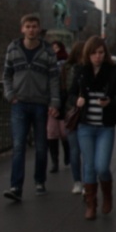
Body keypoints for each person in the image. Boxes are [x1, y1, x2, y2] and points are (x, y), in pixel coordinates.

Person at [2, 14, 60, 201]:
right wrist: (10, 94)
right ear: (22, 29)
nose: (31, 30)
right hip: (19, 103)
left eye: (34, 26)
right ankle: (16, 187)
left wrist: (54, 102)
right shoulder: (13, 48)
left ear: (39, 29)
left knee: (41, 145)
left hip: (40, 103)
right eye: (28, 26)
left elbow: (54, 78)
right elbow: (6, 74)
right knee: (19, 145)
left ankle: (39, 181)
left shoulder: (47, 51)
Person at [70, 36, 116, 220]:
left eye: (101, 53)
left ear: (105, 54)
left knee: (102, 166)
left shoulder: (114, 72)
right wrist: (77, 100)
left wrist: (110, 102)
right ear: (87, 54)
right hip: (85, 126)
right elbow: (70, 94)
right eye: (94, 53)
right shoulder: (80, 71)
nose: (98, 56)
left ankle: (107, 195)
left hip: (105, 127)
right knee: (89, 166)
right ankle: (91, 204)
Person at [62, 41, 85, 194]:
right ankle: (80, 181)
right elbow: (68, 91)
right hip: (75, 112)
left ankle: (79, 182)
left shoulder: (67, 68)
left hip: (72, 113)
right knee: (78, 150)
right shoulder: (73, 70)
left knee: (76, 150)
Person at [47, 41, 70, 173]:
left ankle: (67, 154)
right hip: (50, 101)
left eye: (56, 48)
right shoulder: (48, 63)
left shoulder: (66, 64)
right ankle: (54, 161)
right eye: (53, 48)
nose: (54, 50)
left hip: (63, 100)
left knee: (63, 132)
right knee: (52, 133)